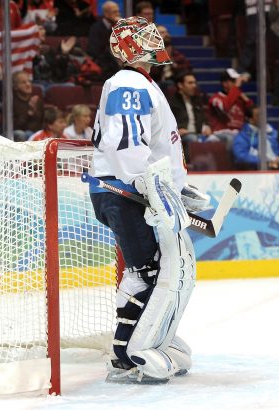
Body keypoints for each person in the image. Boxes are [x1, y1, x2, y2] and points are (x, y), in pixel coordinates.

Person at [88, 16, 210, 383]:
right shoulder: (128, 81)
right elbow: (124, 141)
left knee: (155, 270)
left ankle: (150, 340)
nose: (156, 39)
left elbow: (156, 147)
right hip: (125, 191)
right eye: (145, 36)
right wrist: (149, 185)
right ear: (130, 46)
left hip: (135, 190)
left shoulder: (142, 83)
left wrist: (177, 187)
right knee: (148, 273)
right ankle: (127, 355)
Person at [168, 72, 213, 159]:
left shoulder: (197, 100)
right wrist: (177, 130)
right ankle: (195, 168)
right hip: (181, 135)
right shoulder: (171, 102)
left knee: (215, 140)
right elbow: (167, 121)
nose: (194, 85)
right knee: (193, 139)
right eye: (190, 83)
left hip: (199, 134)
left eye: (194, 82)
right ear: (180, 85)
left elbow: (204, 118)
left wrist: (207, 126)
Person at [233, 105, 279, 170]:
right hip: (256, 170)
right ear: (250, 120)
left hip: (278, 166)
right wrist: (266, 162)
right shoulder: (243, 137)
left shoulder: (272, 132)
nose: (263, 117)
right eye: (259, 115)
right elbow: (241, 156)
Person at [207, 69, 253, 149]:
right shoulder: (215, 99)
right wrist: (236, 88)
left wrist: (245, 99)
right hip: (221, 134)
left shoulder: (239, 98)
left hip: (239, 133)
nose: (237, 84)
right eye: (234, 81)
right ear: (225, 83)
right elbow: (225, 107)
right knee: (231, 138)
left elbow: (253, 113)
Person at [87, 1, 122, 80]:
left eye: (118, 11)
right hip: (104, 65)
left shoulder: (120, 28)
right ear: (106, 14)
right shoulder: (96, 28)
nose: (118, 14)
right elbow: (94, 50)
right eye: (115, 12)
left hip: (118, 63)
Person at [12, 71, 44, 141]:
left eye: (29, 81)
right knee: (24, 133)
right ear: (15, 86)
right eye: (23, 82)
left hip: (35, 134)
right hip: (17, 134)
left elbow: (43, 121)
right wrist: (29, 112)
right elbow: (15, 126)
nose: (28, 84)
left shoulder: (36, 100)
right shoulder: (11, 102)